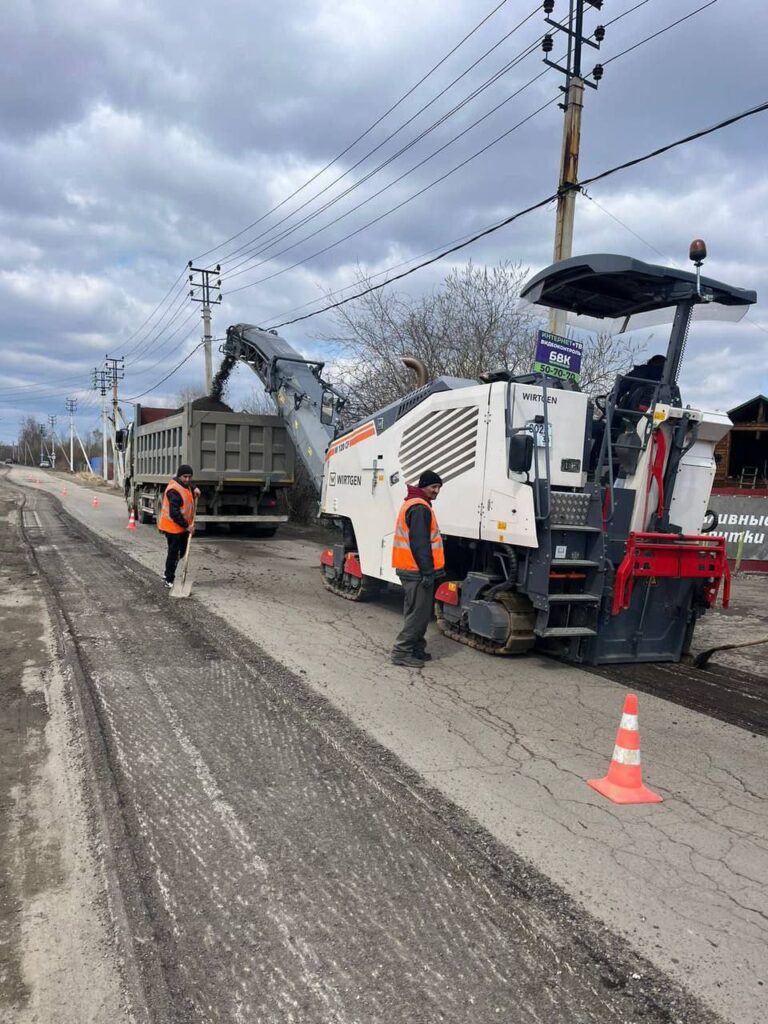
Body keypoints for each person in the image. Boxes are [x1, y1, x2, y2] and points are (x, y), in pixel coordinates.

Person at [391, 470, 445, 668]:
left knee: (416, 611)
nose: (436, 491)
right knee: (418, 614)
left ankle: (416, 649)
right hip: (415, 570)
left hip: (410, 568)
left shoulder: (415, 504)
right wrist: (428, 572)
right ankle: (401, 652)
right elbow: (420, 544)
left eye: (439, 487)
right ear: (423, 486)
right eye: (433, 487)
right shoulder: (420, 508)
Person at [158, 464, 200, 588]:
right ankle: (169, 579)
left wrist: (195, 487)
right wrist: (187, 526)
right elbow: (174, 513)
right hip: (172, 527)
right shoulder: (174, 490)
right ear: (179, 476)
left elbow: (188, 485)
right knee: (174, 553)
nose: (187, 479)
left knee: (180, 552)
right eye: (184, 477)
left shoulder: (185, 485)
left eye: (189, 477)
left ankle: (167, 574)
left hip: (182, 527)